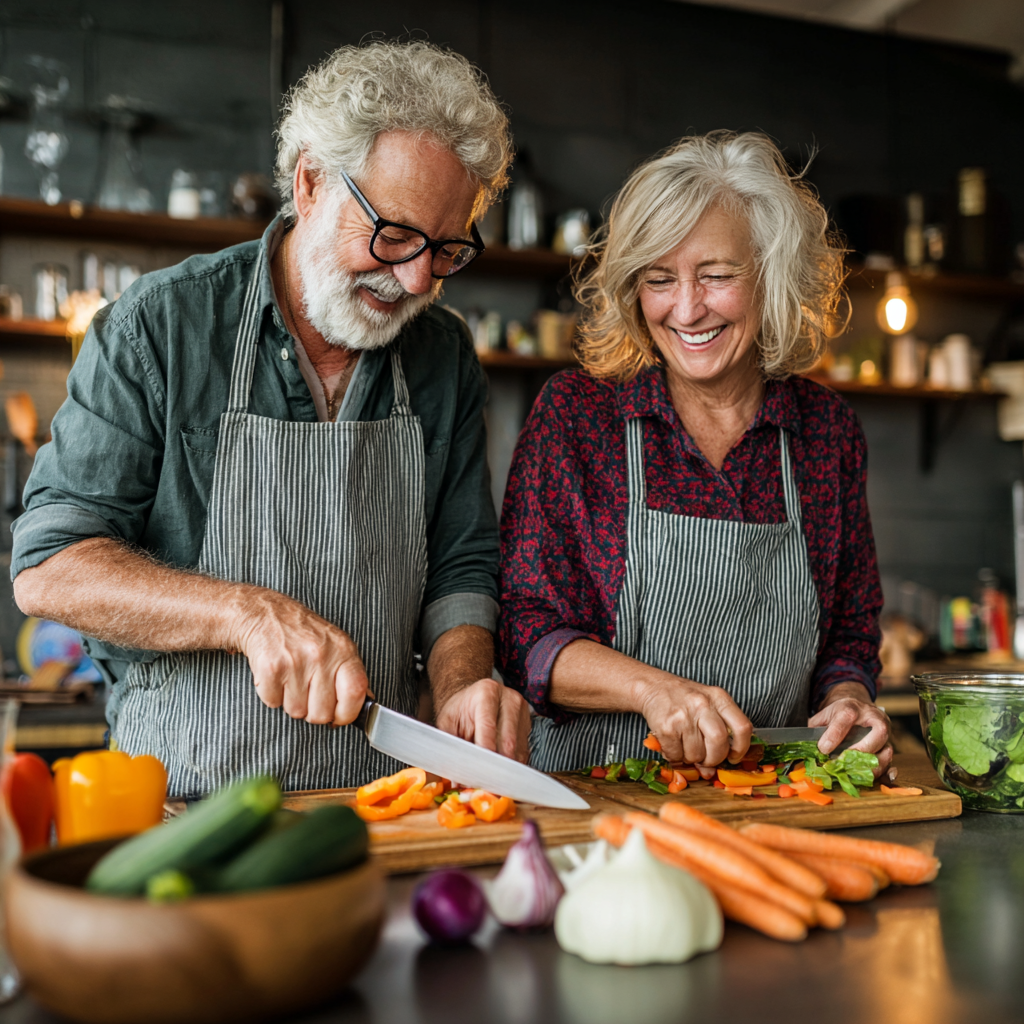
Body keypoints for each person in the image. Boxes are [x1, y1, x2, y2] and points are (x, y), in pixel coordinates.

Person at [12, 41, 531, 798]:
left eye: (448, 248)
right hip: (180, 799)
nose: (418, 277)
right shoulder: (161, 326)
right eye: (393, 236)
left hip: (380, 806)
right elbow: (49, 568)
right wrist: (245, 614)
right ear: (311, 182)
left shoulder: (442, 354)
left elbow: (459, 568)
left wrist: (461, 685)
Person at [498, 131, 891, 777]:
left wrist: (849, 699)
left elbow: (849, 630)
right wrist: (655, 691)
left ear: (772, 276)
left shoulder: (826, 433)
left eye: (716, 276)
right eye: (658, 279)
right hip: (598, 798)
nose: (686, 308)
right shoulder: (578, 417)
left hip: (772, 798)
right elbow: (526, 635)